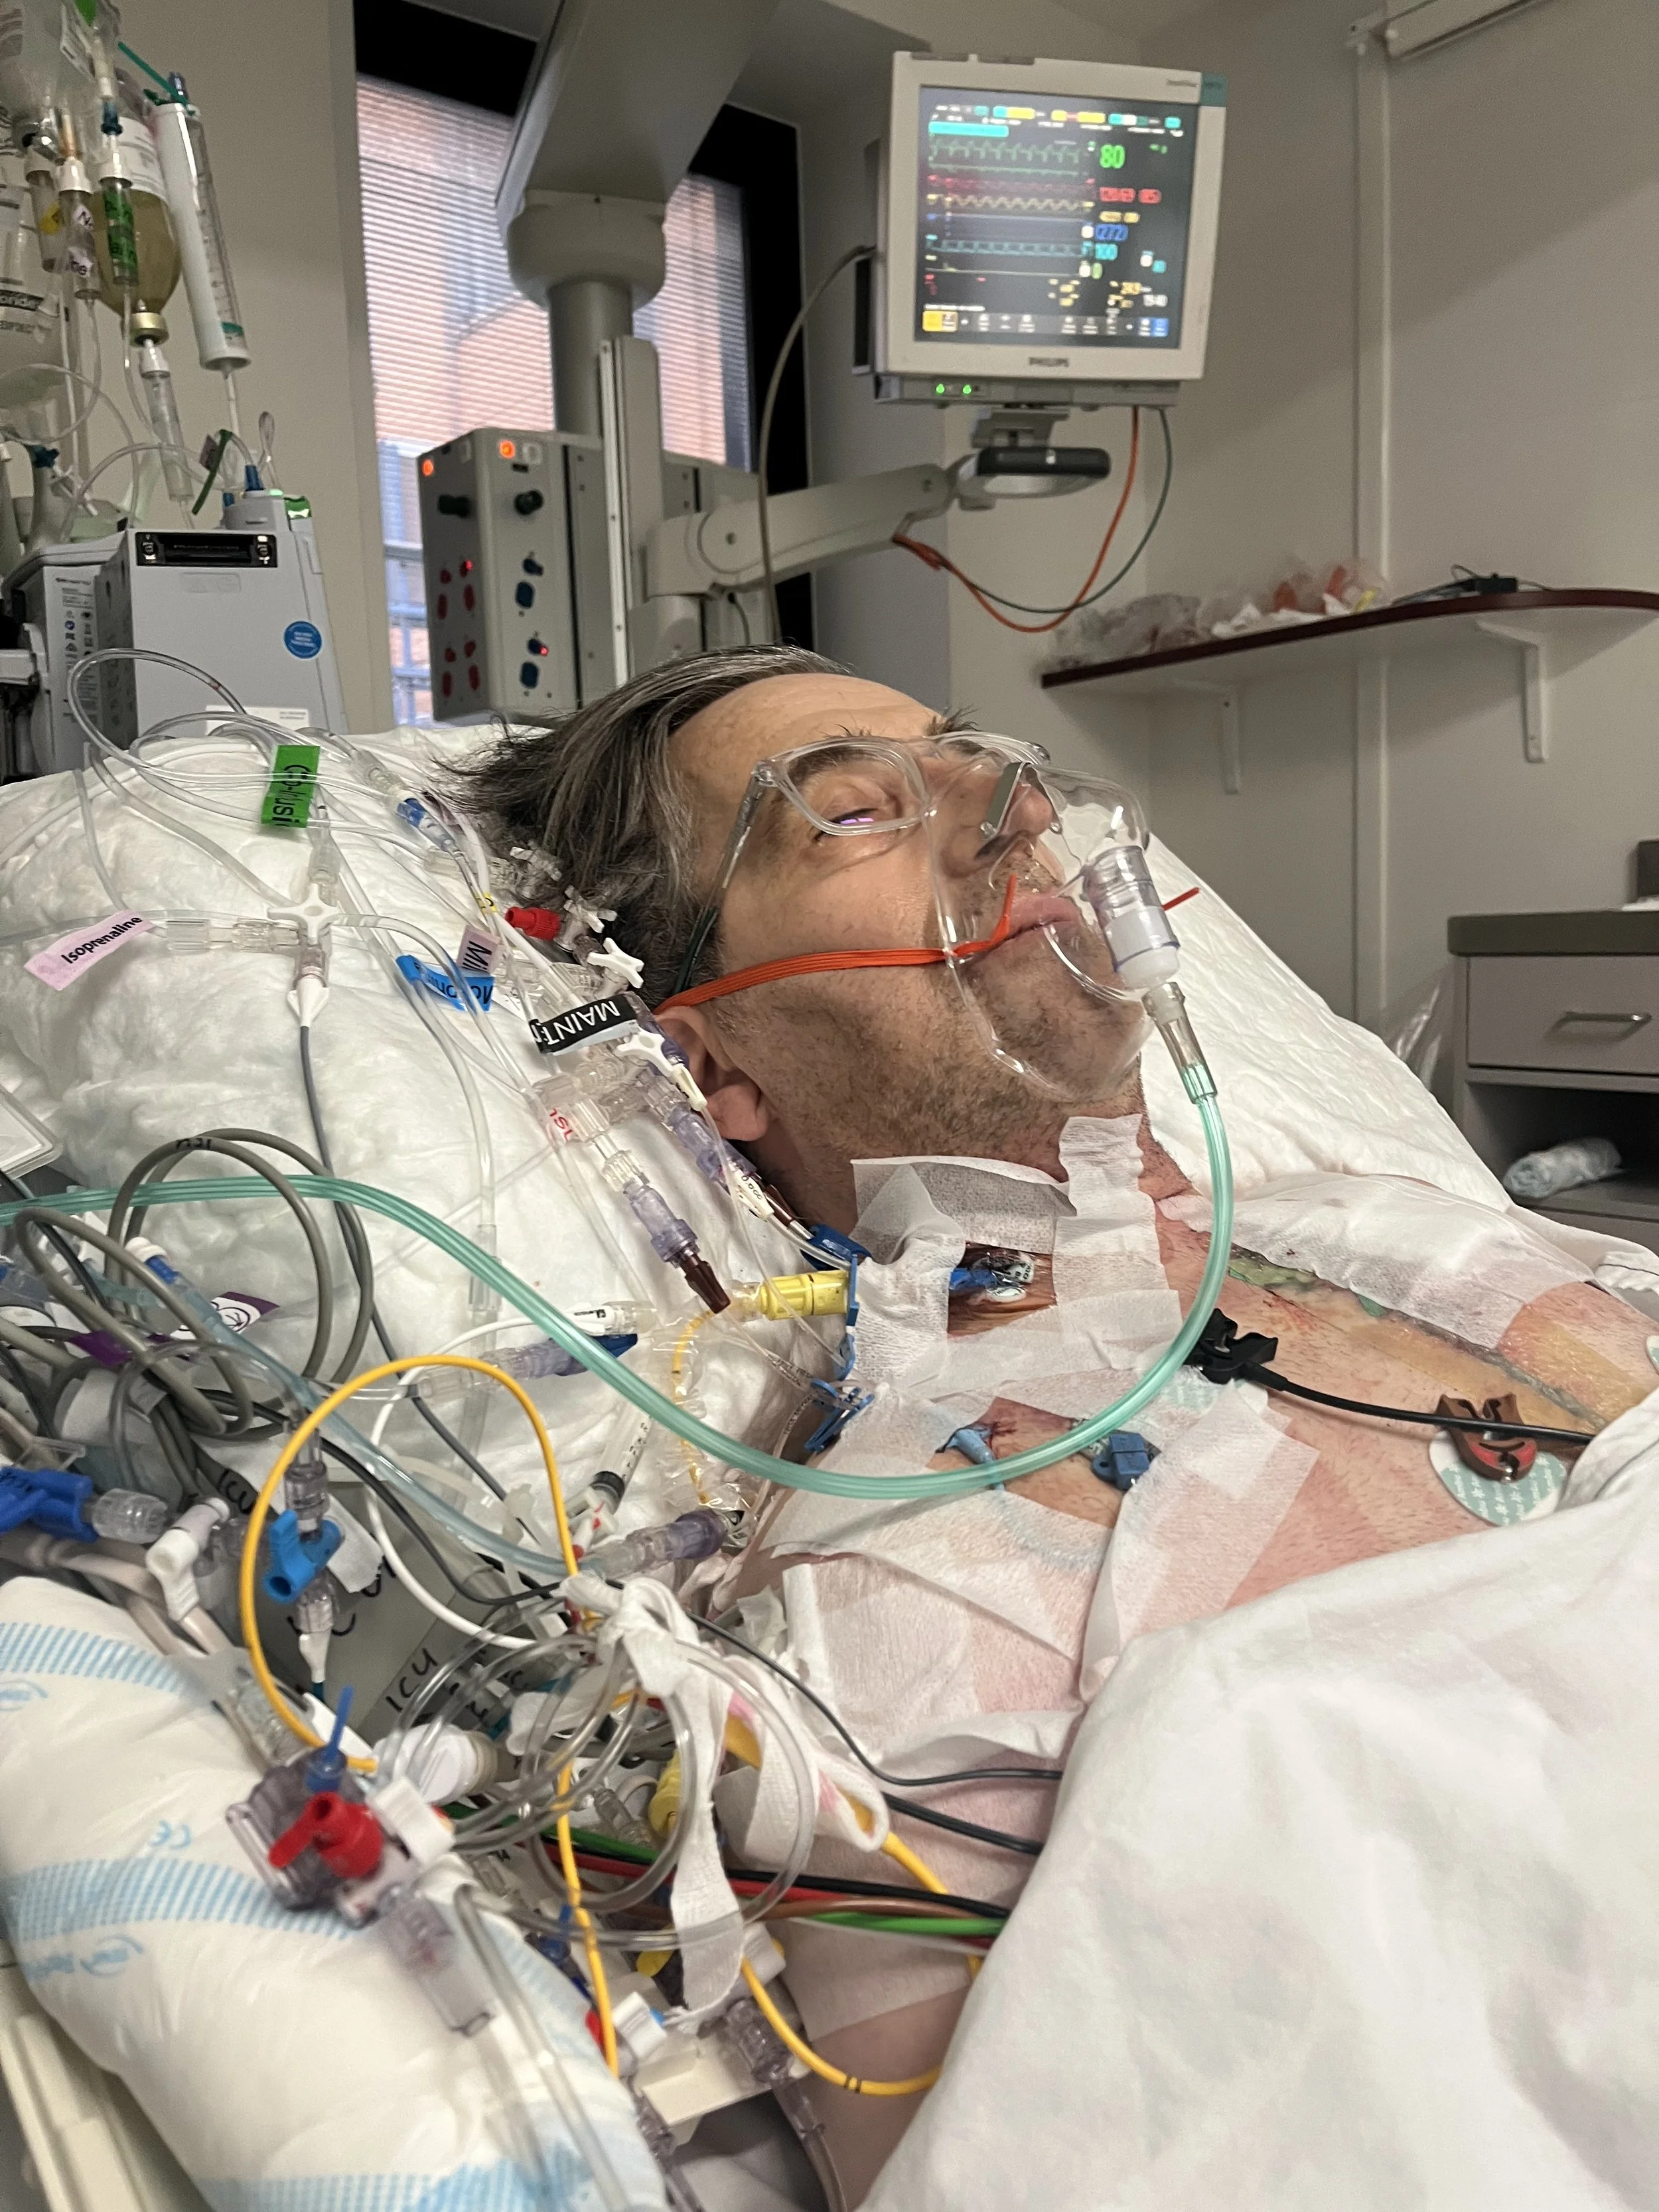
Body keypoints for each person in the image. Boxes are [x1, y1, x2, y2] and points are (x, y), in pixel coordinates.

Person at [458, 645, 1659, 2203]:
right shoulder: (893, 1565)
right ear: (713, 1061)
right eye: (849, 811)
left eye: (978, 765)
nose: (1008, 813)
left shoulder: (1419, 1231)